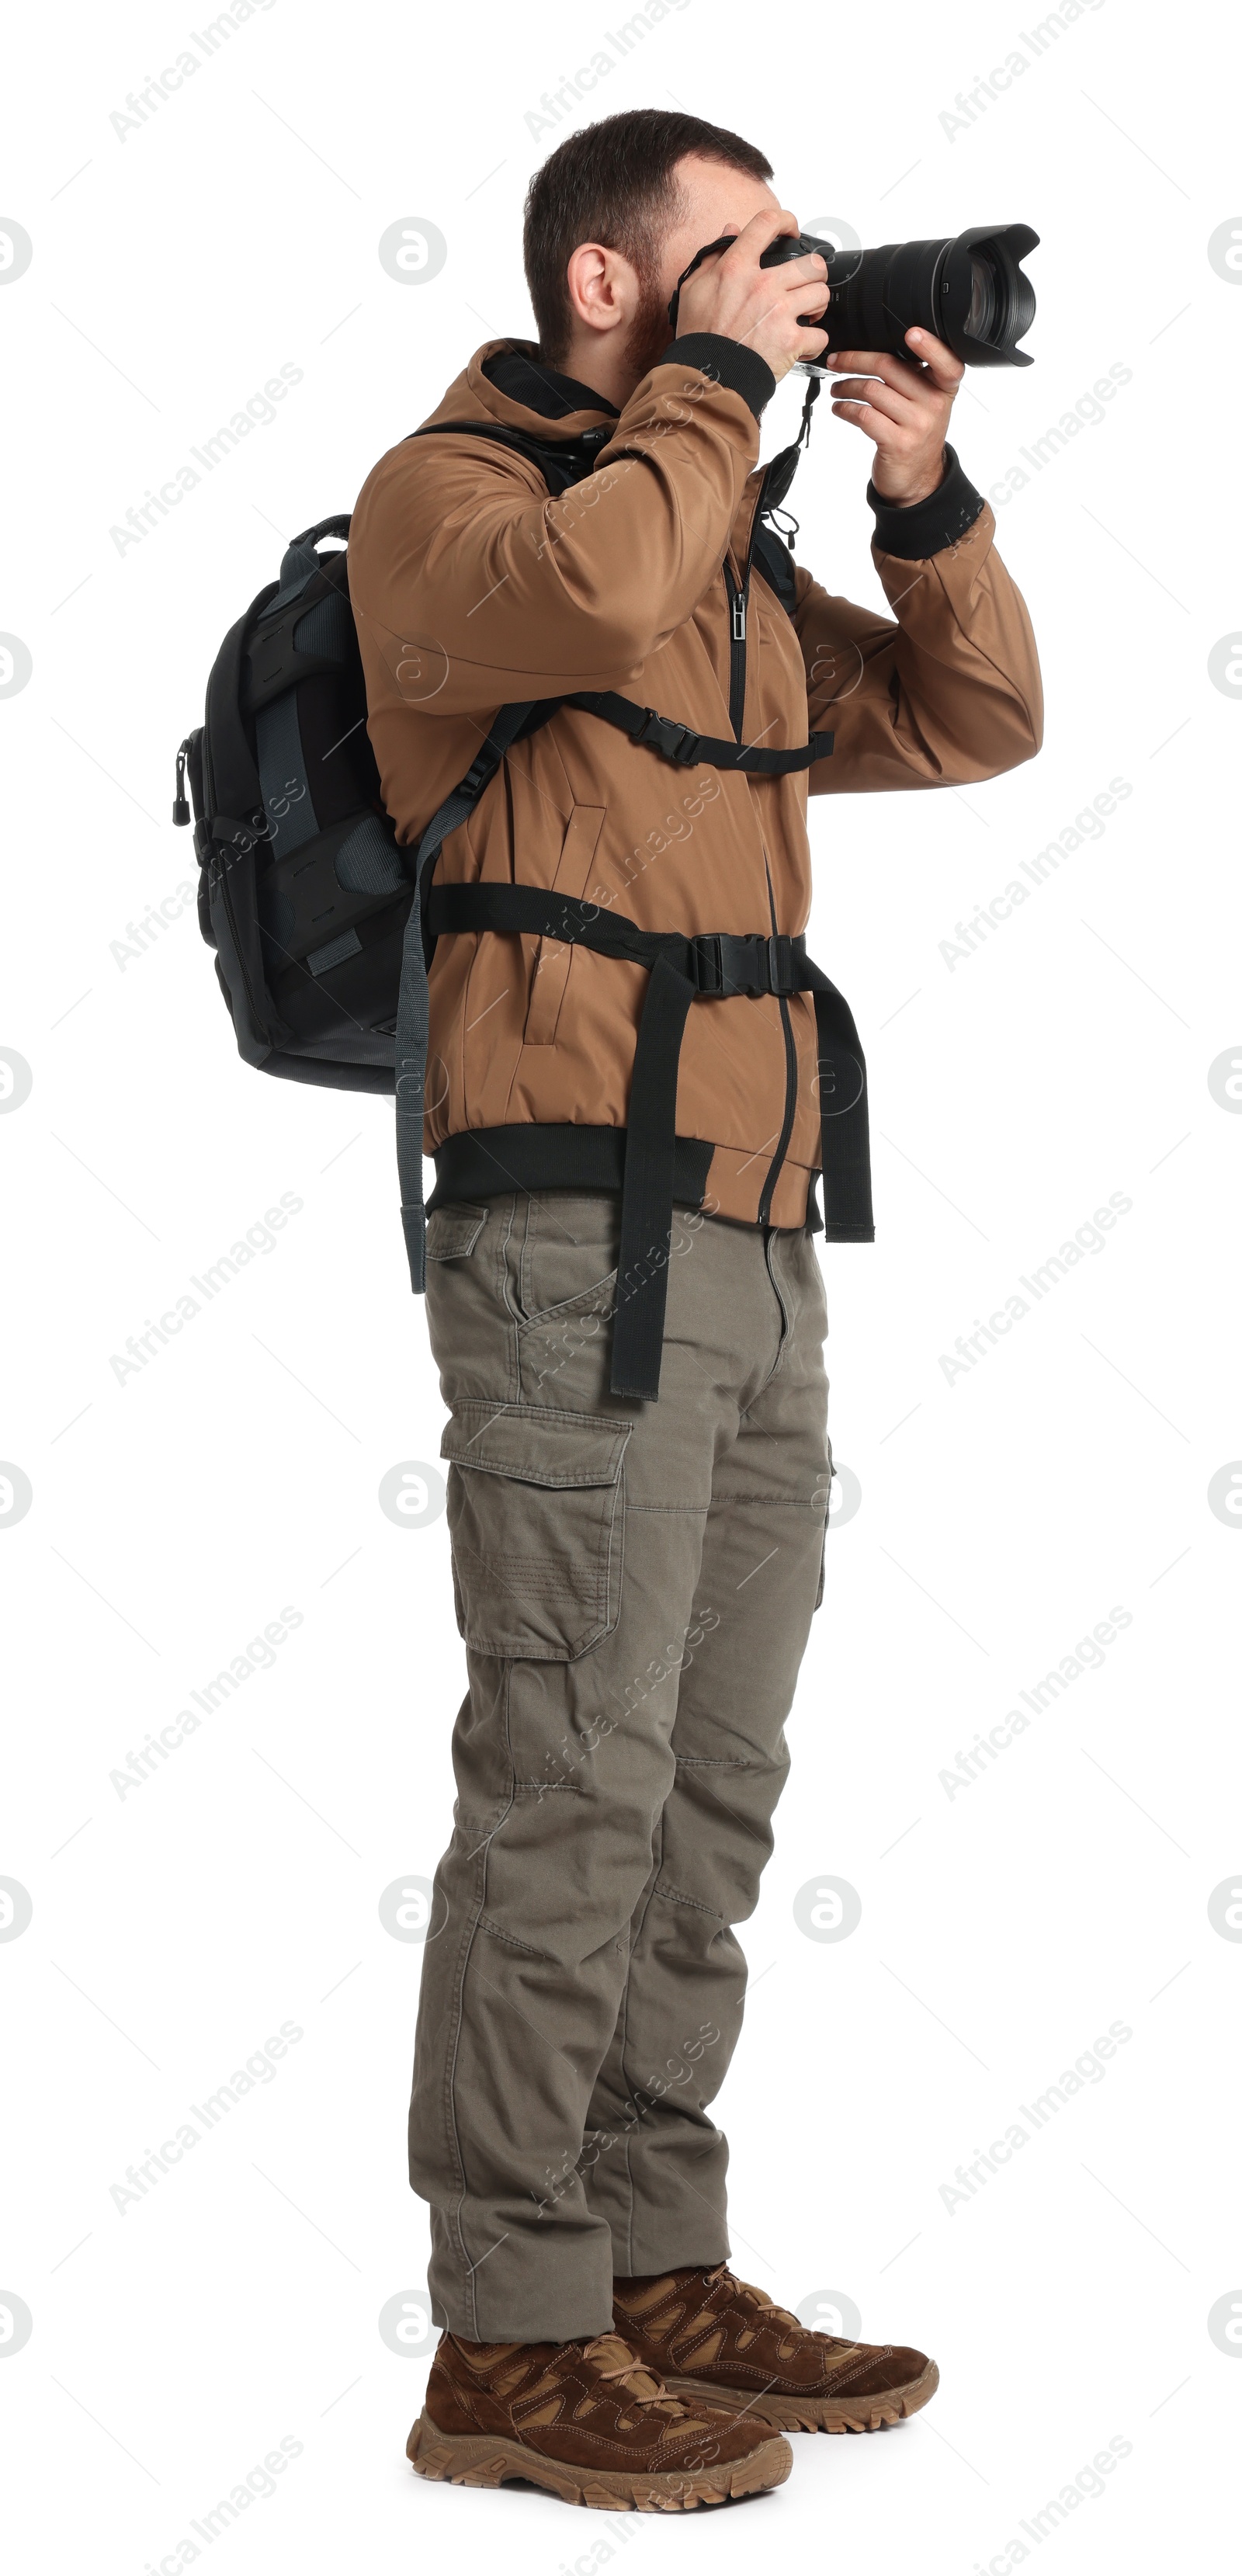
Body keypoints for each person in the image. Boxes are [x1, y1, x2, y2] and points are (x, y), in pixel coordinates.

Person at [349, 107, 1042, 2512]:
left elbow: (972, 720)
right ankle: (508, 2330)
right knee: (569, 1782)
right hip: (565, 1240)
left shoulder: (717, 551)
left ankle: (647, 2258)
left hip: (756, 1239)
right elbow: (580, 602)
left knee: (710, 1789)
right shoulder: (466, 509)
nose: (793, 286)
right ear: (607, 291)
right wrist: (725, 405)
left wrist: (925, 498)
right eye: (741, 258)